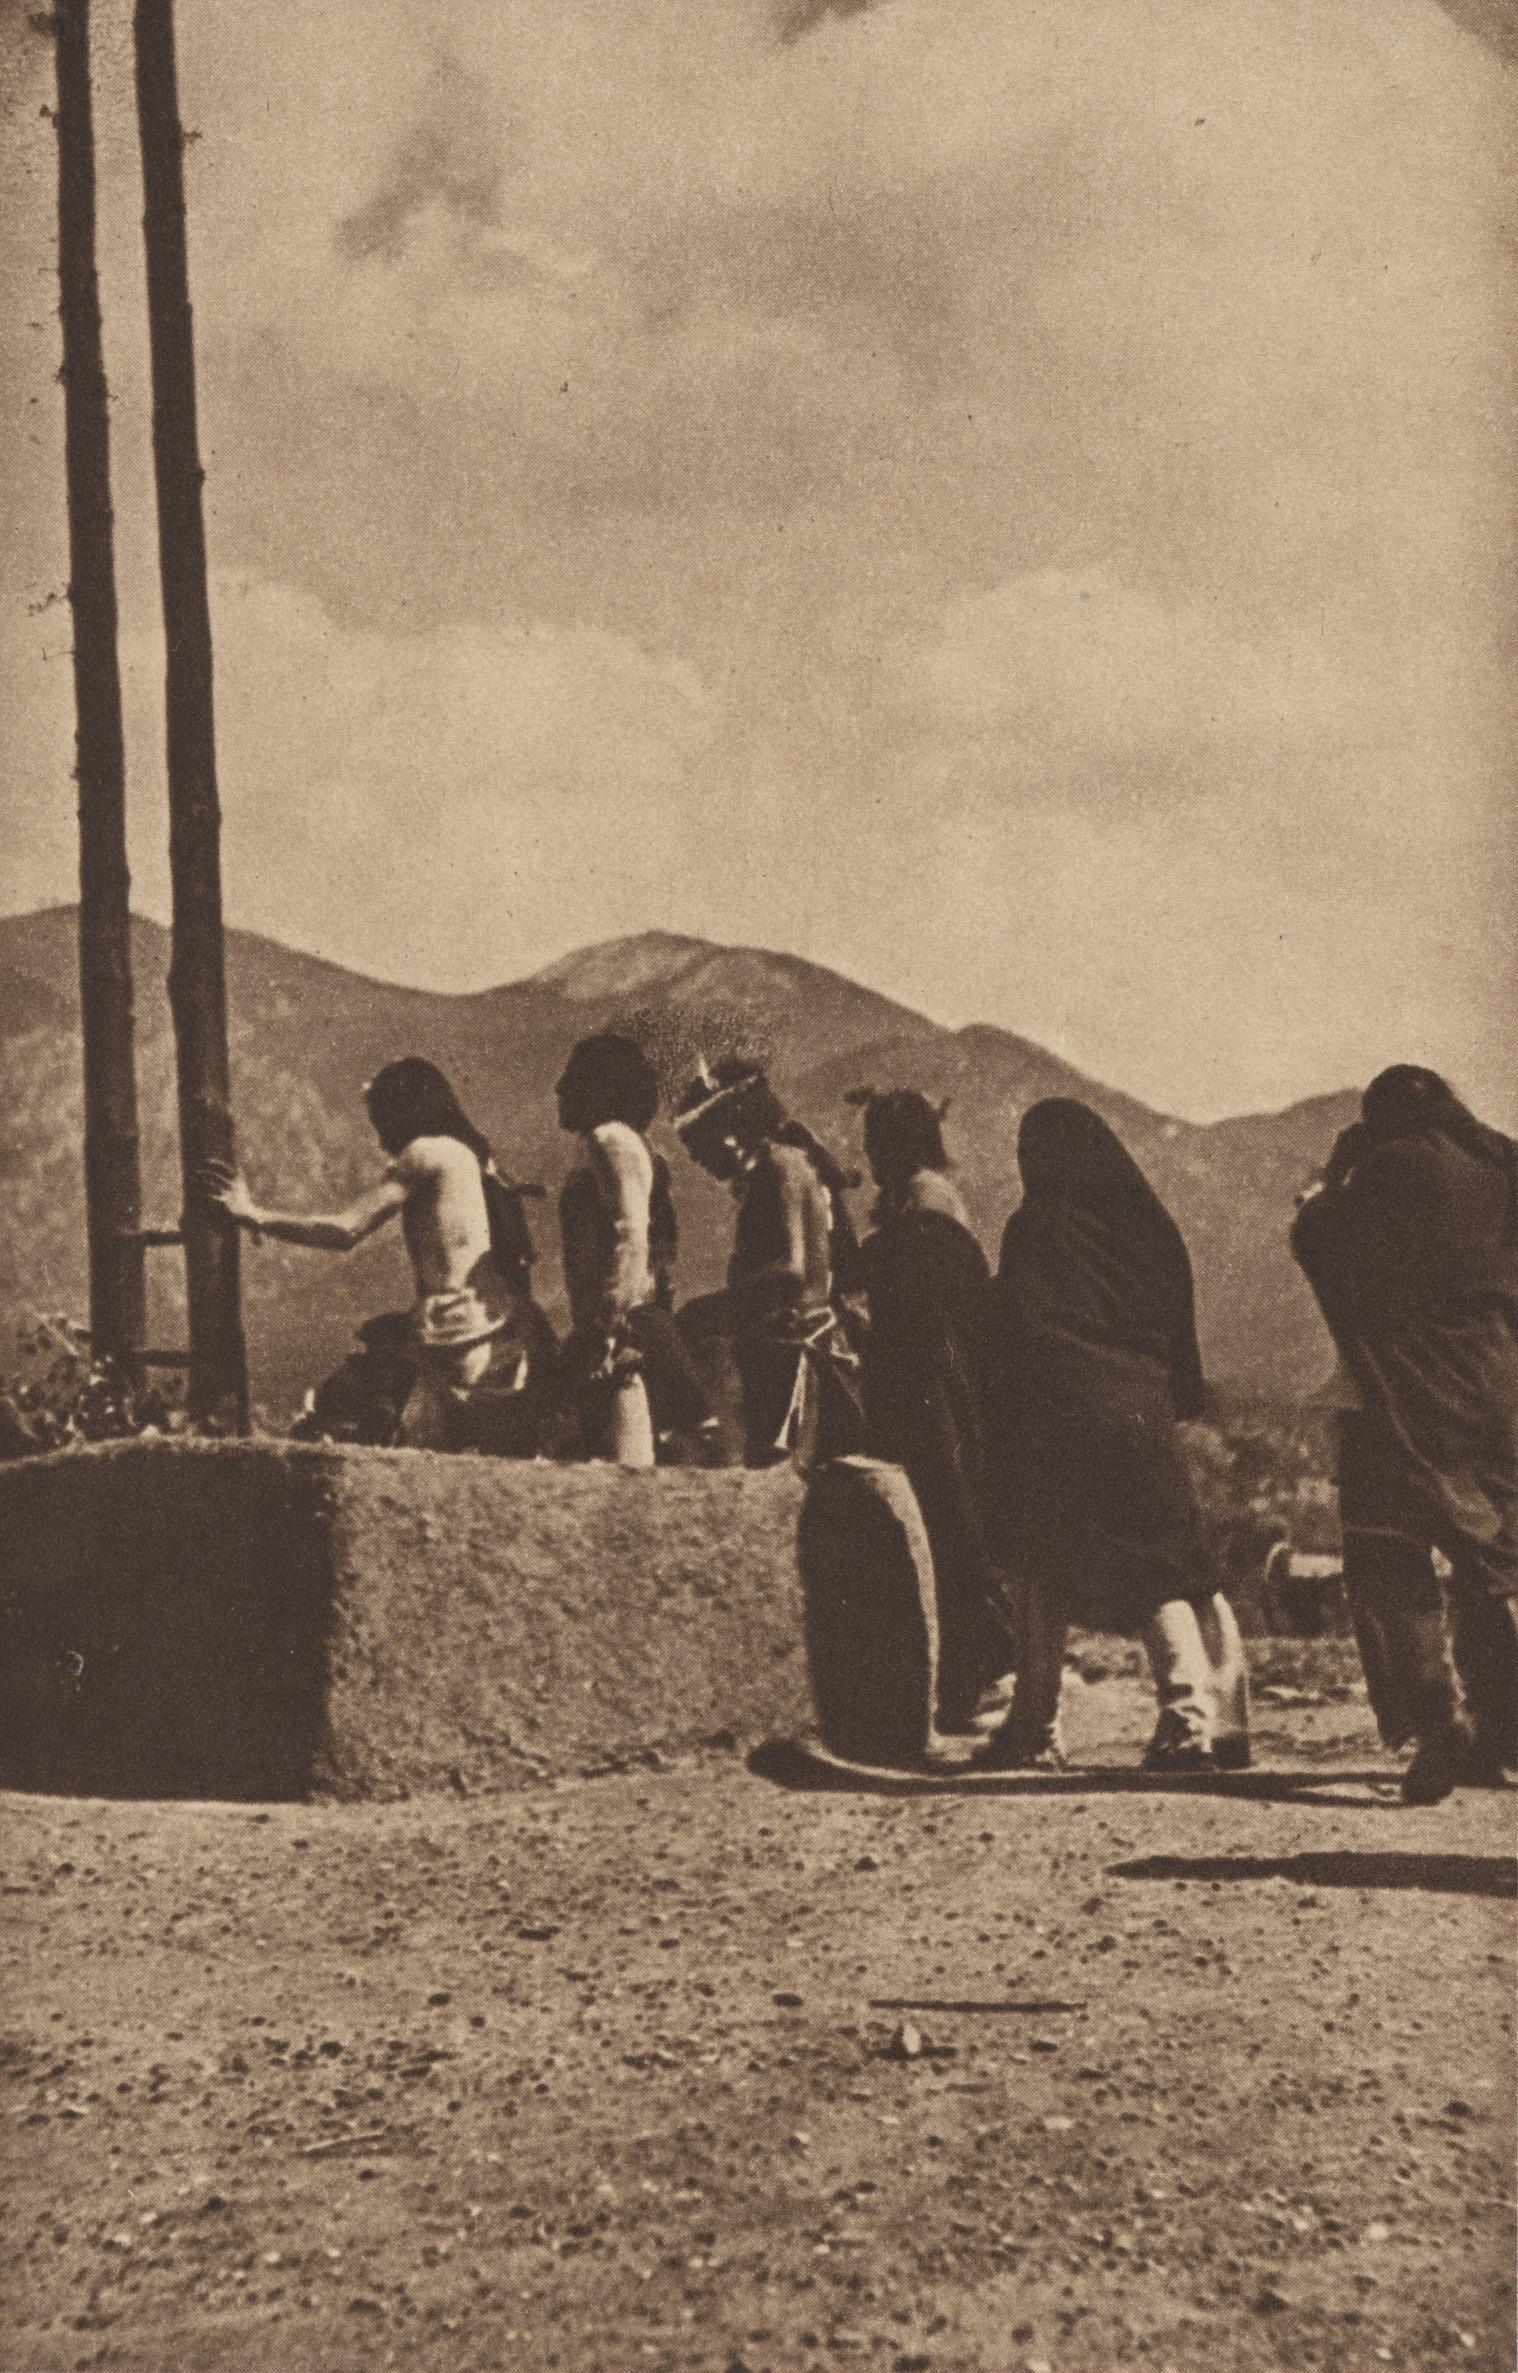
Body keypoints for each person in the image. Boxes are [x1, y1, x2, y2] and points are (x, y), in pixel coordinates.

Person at [983, 1098, 1249, 1772]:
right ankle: (1197, 1720)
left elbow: (1014, 1325)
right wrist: (1175, 1397)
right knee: (1164, 1567)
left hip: (1059, 1411)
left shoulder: (1038, 1226)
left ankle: (1036, 1729)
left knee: (1041, 1566)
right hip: (1143, 1412)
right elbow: (1179, 1332)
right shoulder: (1150, 1229)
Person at [1291, 1065, 1518, 1803]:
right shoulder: (1500, 1162)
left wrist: (1330, 1182)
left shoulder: (1383, 1171)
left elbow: (1322, 1243)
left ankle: (1437, 1717)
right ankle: (1500, 1725)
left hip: (1401, 1394)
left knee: (1386, 1552)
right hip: (1496, 1387)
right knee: (1491, 1561)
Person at [204, 1057, 548, 1451]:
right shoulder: (476, 1158)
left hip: (453, 1337)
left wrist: (255, 1214)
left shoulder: (424, 1154)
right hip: (504, 1331)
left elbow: (345, 1229)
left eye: (380, 1118)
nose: (379, 1135)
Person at [849, 1088, 1017, 1739]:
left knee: (949, 1513)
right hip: (929, 1374)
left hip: (933, 1377)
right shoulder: (915, 1198)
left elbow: (929, 1293)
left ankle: (987, 1667)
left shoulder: (925, 1202)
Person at [674, 1059, 864, 1468]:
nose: (697, 1160)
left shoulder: (780, 1168)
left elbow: (791, 1272)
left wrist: (710, 1308)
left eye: (699, 1145)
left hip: (791, 1356)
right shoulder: (783, 1166)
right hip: (787, 1350)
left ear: (729, 1131)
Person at [555, 1033, 711, 1466]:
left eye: (573, 1078)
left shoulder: (610, 1140)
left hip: (623, 1323)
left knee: (625, 1457)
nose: (560, 1089)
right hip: (625, 1319)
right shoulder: (619, 1142)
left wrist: (610, 1324)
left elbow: (632, 1234)